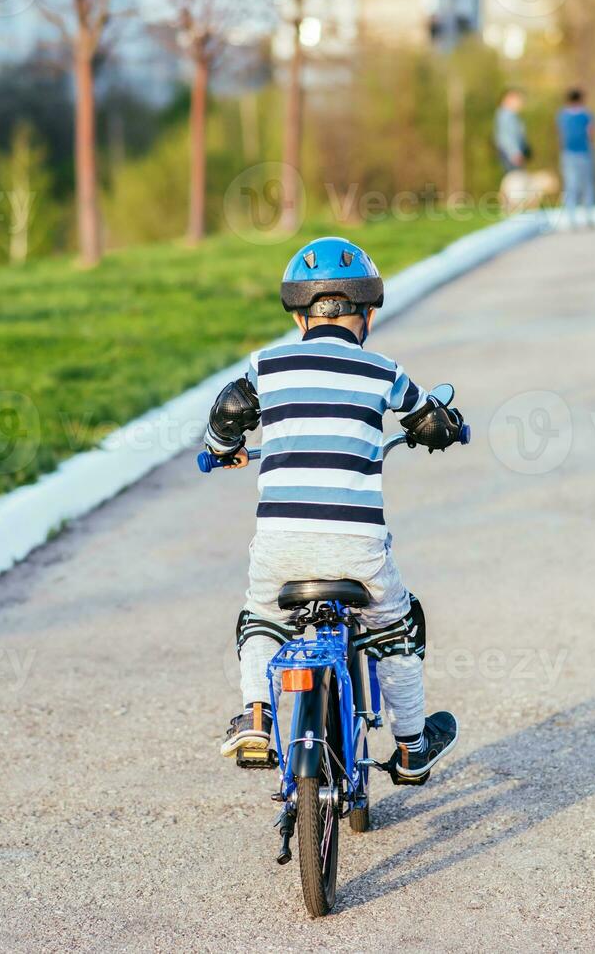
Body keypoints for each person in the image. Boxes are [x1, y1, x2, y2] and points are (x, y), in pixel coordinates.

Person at [205, 236, 462, 786]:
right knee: (396, 626)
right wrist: (448, 428)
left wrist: (224, 450)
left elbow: (228, 412)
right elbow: (430, 421)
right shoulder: (382, 371)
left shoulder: (266, 366)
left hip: (281, 546)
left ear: (301, 316)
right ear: (366, 314)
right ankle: (414, 747)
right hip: (357, 550)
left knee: (261, 617)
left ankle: (256, 713)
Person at [556, 87, 595, 229]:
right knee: (587, 186)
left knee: (570, 186)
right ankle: (589, 218)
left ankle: (571, 219)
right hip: (584, 153)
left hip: (567, 154)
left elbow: (561, 134)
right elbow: (591, 133)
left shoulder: (562, 115)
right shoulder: (586, 115)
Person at [493, 88, 530, 174]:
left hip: (512, 154)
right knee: (516, 181)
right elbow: (505, 137)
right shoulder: (506, 116)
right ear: (508, 100)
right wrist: (515, 153)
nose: (520, 103)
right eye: (517, 100)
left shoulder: (511, 116)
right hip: (511, 155)